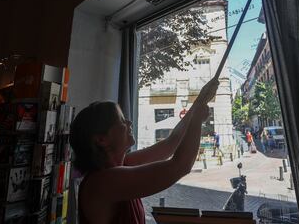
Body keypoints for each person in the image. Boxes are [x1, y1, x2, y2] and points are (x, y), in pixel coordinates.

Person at [69, 78, 219, 224]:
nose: (129, 122)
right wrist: (197, 119)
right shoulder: (102, 182)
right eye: (122, 121)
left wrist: (199, 101)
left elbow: (170, 144)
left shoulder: (123, 164)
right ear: (102, 140)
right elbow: (180, 166)